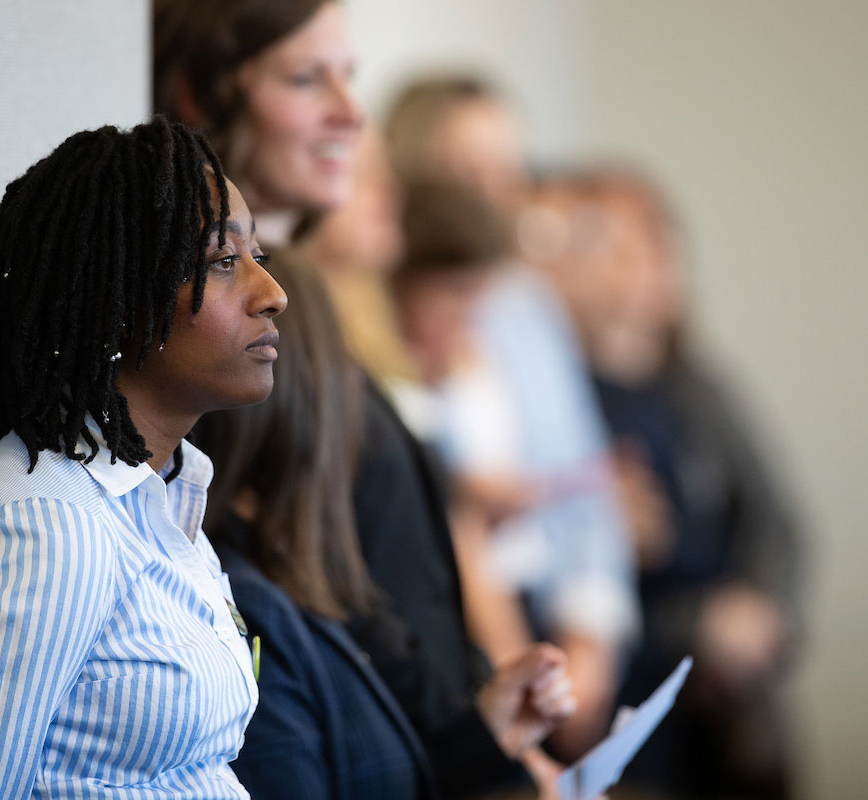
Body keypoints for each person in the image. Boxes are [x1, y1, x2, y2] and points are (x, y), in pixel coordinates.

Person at [153, 3, 556, 794]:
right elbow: (293, 585)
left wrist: (479, 738)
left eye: (349, 76)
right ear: (199, 94)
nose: (352, 113)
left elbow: (354, 581)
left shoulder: (313, 316)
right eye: (308, 78)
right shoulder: (219, 353)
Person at [0, 117, 285, 799]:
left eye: (258, 256)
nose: (272, 293)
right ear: (119, 301)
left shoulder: (163, 494)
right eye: (224, 262)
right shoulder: (50, 526)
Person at [195, 254, 576, 799]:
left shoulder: (308, 585)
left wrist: (485, 740)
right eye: (344, 370)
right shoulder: (256, 610)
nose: (360, 400)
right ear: (307, 401)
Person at [525, 167, 804, 798]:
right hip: (624, 713)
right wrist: (692, 626)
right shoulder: (556, 399)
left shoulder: (699, 385)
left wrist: (761, 614)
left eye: (657, 243)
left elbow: (774, 520)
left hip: (730, 720)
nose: (643, 265)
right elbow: (554, 569)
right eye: (613, 244)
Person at [385, 76, 642, 760]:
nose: (493, 189)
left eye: (507, 168)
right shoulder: (385, 313)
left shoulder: (529, 305)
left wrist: (591, 642)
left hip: (549, 616)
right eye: (469, 168)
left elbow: (588, 488)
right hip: (461, 632)